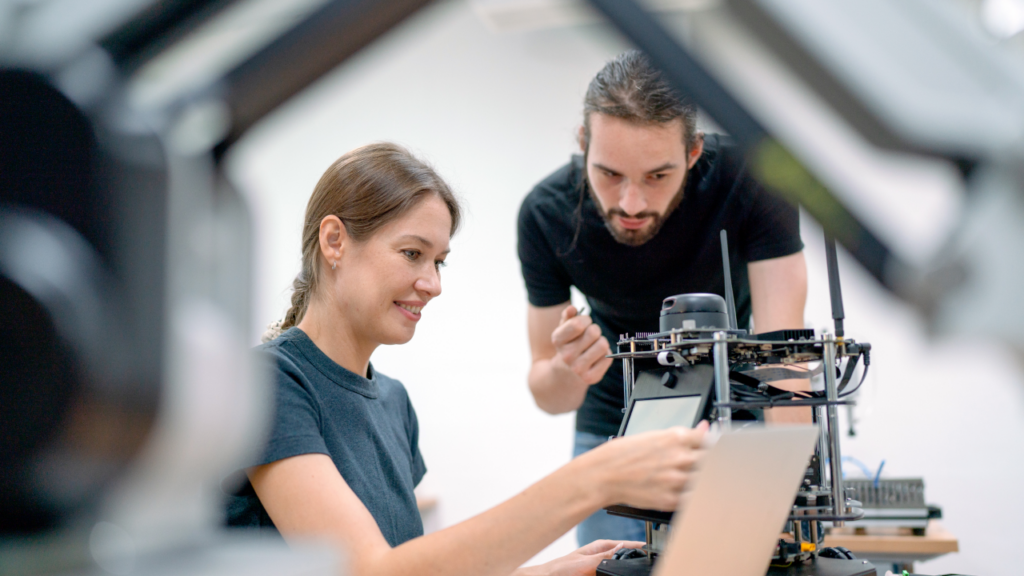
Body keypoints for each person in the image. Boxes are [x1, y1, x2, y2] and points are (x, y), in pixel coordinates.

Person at [227, 142, 708, 576]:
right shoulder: (267, 385)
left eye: (438, 261)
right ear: (335, 241)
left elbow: (409, 565)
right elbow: (369, 571)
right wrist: (595, 479)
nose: (433, 284)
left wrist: (543, 574)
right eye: (412, 253)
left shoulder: (393, 400)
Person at [517, 50, 808, 546]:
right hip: (613, 423)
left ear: (693, 153)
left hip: (736, 414)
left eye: (657, 176)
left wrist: (794, 489)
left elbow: (782, 357)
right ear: (583, 144)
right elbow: (547, 391)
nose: (631, 204)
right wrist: (570, 370)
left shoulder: (754, 180)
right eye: (609, 174)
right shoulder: (546, 214)